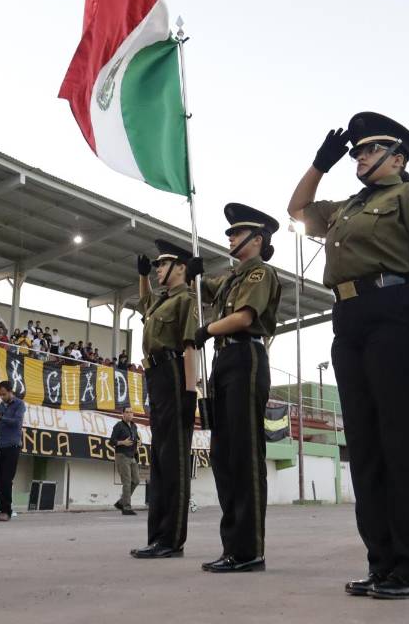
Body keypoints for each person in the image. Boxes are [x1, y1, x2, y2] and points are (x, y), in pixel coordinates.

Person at [288, 112, 409, 600]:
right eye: (355, 151)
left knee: (402, 445)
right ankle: (382, 563)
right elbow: (297, 209)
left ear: (397, 157)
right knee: (365, 448)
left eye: (368, 150)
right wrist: (320, 165)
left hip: (395, 311)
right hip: (349, 317)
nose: (358, 157)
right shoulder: (347, 207)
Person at [190, 203, 283, 573]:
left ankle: (249, 551)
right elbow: (203, 288)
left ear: (256, 239)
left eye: (235, 233)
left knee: (244, 456)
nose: (228, 237)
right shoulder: (231, 278)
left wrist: (207, 330)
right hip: (223, 361)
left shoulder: (261, 274)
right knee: (225, 455)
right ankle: (233, 548)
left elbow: (244, 318)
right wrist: (194, 272)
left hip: (246, 357)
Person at [130, 239, 200, 559]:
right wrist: (142, 276)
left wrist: (189, 392)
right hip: (155, 376)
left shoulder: (186, 299)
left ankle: (172, 539)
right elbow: (145, 302)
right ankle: (157, 535)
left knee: (173, 459)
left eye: (162, 265)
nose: (158, 269)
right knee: (159, 459)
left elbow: (190, 347)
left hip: (173, 373)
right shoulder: (162, 301)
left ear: (180, 268)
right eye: (156, 265)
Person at [0, 380, 26, 521]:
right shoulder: (1, 405)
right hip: (0, 445)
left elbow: (16, 422)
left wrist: (0, 418)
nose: (2, 397)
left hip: (12, 446)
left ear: (11, 391)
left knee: (6, 479)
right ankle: (1, 510)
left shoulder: (19, 404)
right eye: (0, 395)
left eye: (4, 394)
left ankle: (7, 511)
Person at [110, 408, 141, 515]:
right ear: (122, 414)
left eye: (131, 412)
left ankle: (121, 502)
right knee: (127, 482)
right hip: (122, 456)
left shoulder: (134, 426)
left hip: (132, 456)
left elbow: (135, 439)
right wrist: (122, 442)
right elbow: (111, 441)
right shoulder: (119, 425)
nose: (129, 414)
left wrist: (138, 441)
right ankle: (126, 507)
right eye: (127, 412)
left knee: (136, 481)